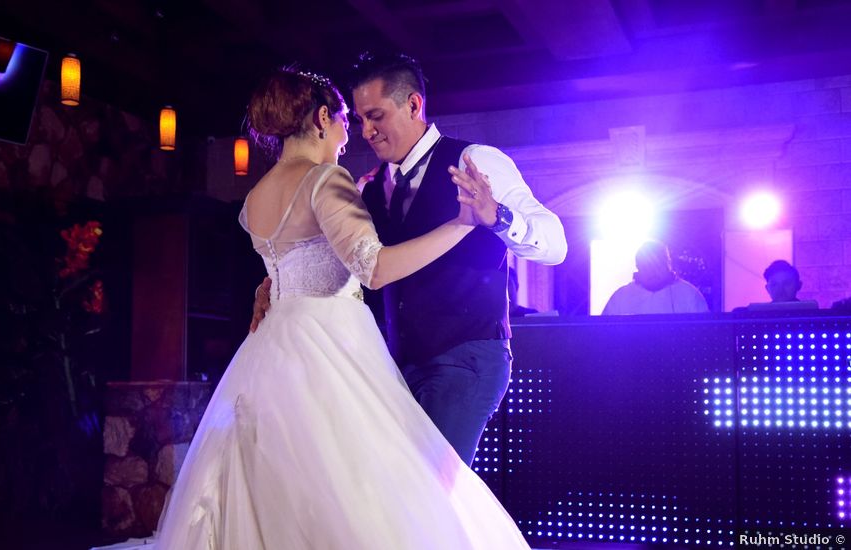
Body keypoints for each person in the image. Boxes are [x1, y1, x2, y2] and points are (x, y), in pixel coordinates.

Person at [149, 69, 530, 549]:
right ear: (324, 117)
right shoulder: (326, 179)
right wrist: (462, 224)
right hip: (332, 344)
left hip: (274, 346)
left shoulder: (255, 197)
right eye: (349, 119)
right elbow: (374, 268)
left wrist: (270, 284)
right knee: (371, 490)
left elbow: (290, 261)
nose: (353, 134)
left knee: (290, 480)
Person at [255, 53, 567, 466]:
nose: (366, 131)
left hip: (465, 357)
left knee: (432, 495)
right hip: (394, 366)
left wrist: (499, 218)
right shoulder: (369, 188)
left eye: (376, 116)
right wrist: (271, 286)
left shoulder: (477, 161)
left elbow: (556, 244)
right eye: (361, 119)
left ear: (414, 106)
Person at [602, 240, 709, 315]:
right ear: (638, 266)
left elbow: (703, 333)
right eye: (646, 265)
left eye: (657, 265)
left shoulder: (689, 295)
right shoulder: (620, 298)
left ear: (668, 265)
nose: (652, 271)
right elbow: (604, 334)